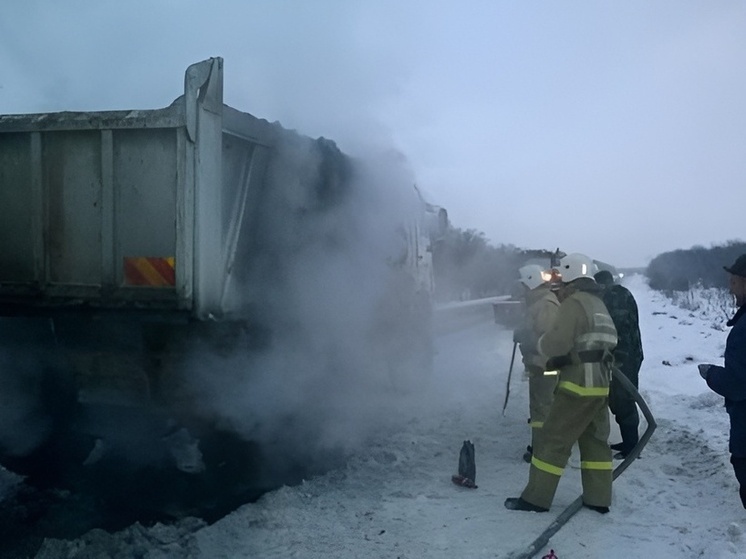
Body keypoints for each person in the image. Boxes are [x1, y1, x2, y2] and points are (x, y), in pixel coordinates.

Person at [505, 253, 617, 514]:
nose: (558, 285)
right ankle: (599, 499)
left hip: (578, 384)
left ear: (569, 276)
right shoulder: (597, 303)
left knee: (552, 440)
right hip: (601, 383)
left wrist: (540, 346)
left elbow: (557, 342)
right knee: (595, 443)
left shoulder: (574, 303)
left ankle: (536, 499)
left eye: (561, 279)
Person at [698, 253, 746, 508]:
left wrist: (711, 374)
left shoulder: (743, 330)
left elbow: (738, 384)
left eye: (734, 282)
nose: (731, 289)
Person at [594, 269, 644, 459]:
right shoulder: (620, 294)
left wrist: (617, 358)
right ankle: (628, 441)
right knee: (618, 399)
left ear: (603, 285)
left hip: (624, 358)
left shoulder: (616, 298)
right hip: (625, 355)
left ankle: (632, 447)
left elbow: (618, 331)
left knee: (624, 399)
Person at [513, 264, 560, 463]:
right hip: (538, 364)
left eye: (524, 284)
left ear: (531, 282)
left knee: (543, 411)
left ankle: (542, 451)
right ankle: (542, 447)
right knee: (540, 408)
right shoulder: (538, 302)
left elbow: (549, 338)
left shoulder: (546, 304)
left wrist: (530, 345)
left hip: (545, 366)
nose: (522, 288)